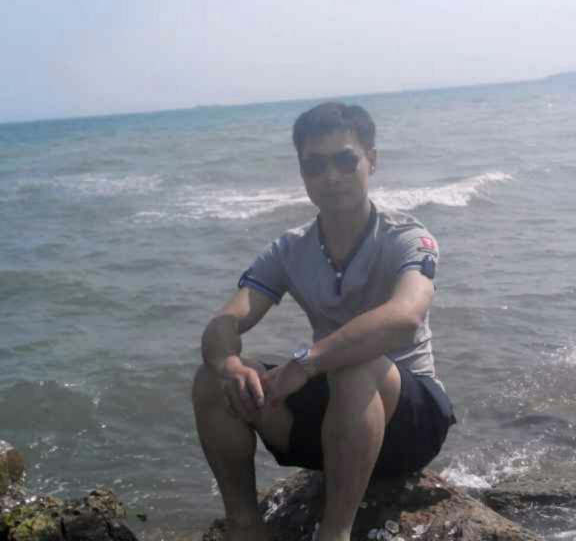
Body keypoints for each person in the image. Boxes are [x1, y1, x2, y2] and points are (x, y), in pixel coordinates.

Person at [192, 102, 455, 541]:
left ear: (372, 160)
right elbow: (225, 321)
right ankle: (245, 525)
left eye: (345, 160)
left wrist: (305, 363)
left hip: (410, 420)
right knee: (212, 380)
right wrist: (229, 365)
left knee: (354, 366)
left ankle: (335, 532)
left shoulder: (406, 237)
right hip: (336, 423)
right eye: (314, 165)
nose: (330, 176)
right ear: (302, 173)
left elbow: (404, 317)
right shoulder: (290, 249)